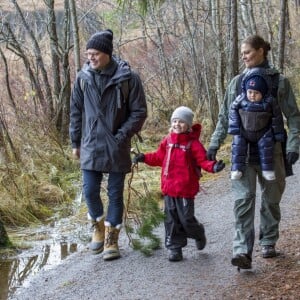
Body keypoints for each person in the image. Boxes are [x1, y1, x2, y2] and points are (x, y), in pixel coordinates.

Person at [207, 35, 300, 269]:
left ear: (261, 51)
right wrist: (214, 144)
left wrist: (293, 146)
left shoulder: (280, 82)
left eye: (247, 52)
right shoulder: (237, 83)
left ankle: (268, 241)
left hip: (274, 152)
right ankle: (242, 250)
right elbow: (224, 117)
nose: (243, 56)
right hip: (243, 153)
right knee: (243, 200)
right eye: (242, 52)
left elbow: (294, 117)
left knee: (271, 200)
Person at [69, 29, 147, 261]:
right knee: (90, 190)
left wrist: (121, 136)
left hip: (117, 145)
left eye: (94, 53)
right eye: (88, 53)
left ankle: (112, 239)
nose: (90, 58)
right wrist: (75, 142)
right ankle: (98, 227)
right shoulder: (83, 78)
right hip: (90, 144)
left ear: (107, 54)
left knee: (115, 194)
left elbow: (139, 112)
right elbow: (75, 112)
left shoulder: (128, 79)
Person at [133, 106, 225, 262]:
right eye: (175, 121)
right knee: (171, 219)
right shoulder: (167, 141)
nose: (177, 124)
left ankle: (198, 232)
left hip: (185, 189)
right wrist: (144, 158)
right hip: (169, 188)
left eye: (181, 122)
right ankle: (175, 248)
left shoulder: (192, 144)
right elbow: (158, 157)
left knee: (186, 219)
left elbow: (203, 161)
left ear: (188, 125)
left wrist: (214, 166)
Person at [228, 69, 285, 181]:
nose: (252, 96)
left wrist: (278, 134)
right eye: (250, 92)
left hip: (263, 131)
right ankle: (236, 169)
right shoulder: (241, 99)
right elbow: (232, 110)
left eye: (256, 93)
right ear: (246, 91)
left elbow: (277, 118)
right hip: (244, 131)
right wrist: (234, 127)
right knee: (238, 146)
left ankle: (267, 170)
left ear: (263, 93)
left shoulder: (270, 101)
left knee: (267, 147)